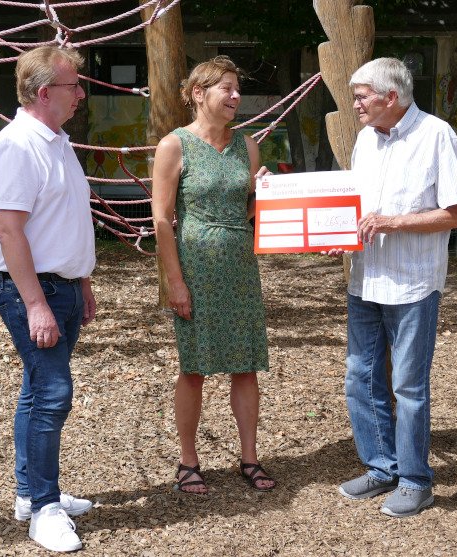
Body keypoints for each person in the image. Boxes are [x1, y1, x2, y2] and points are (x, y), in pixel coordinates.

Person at [327, 57, 457, 517]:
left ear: (392, 96)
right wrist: (338, 237)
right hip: (364, 278)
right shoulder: (366, 141)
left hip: (412, 284)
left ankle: (415, 480)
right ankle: (381, 467)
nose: (355, 105)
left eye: (361, 95)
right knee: (360, 378)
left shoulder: (436, 135)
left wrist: (393, 222)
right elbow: (356, 209)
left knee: (408, 386)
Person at [0, 46, 96, 553]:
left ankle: (31, 495)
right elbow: (10, 233)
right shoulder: (17, 145)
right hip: (34, 289)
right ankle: (44, 510)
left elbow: (64, 220)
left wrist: (82, 281)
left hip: (62, 286)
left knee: (37, 391)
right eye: (74, 85)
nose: (81, 93)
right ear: (45, 91)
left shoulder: (57, 142)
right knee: (53, 394)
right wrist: (35, 304)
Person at [151, 55, 275, 495]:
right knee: (195, 368)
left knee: (246, 367)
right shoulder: (174, 145)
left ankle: (250, 458)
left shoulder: (248, 145)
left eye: (237, 88)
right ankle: (188, 462)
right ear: (198, 94)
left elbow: (249, 212)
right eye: (227, 87)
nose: (236, 96)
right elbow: (163, 221)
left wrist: (266, 193)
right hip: (197, 272)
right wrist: (176, 282)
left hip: (241, 269)